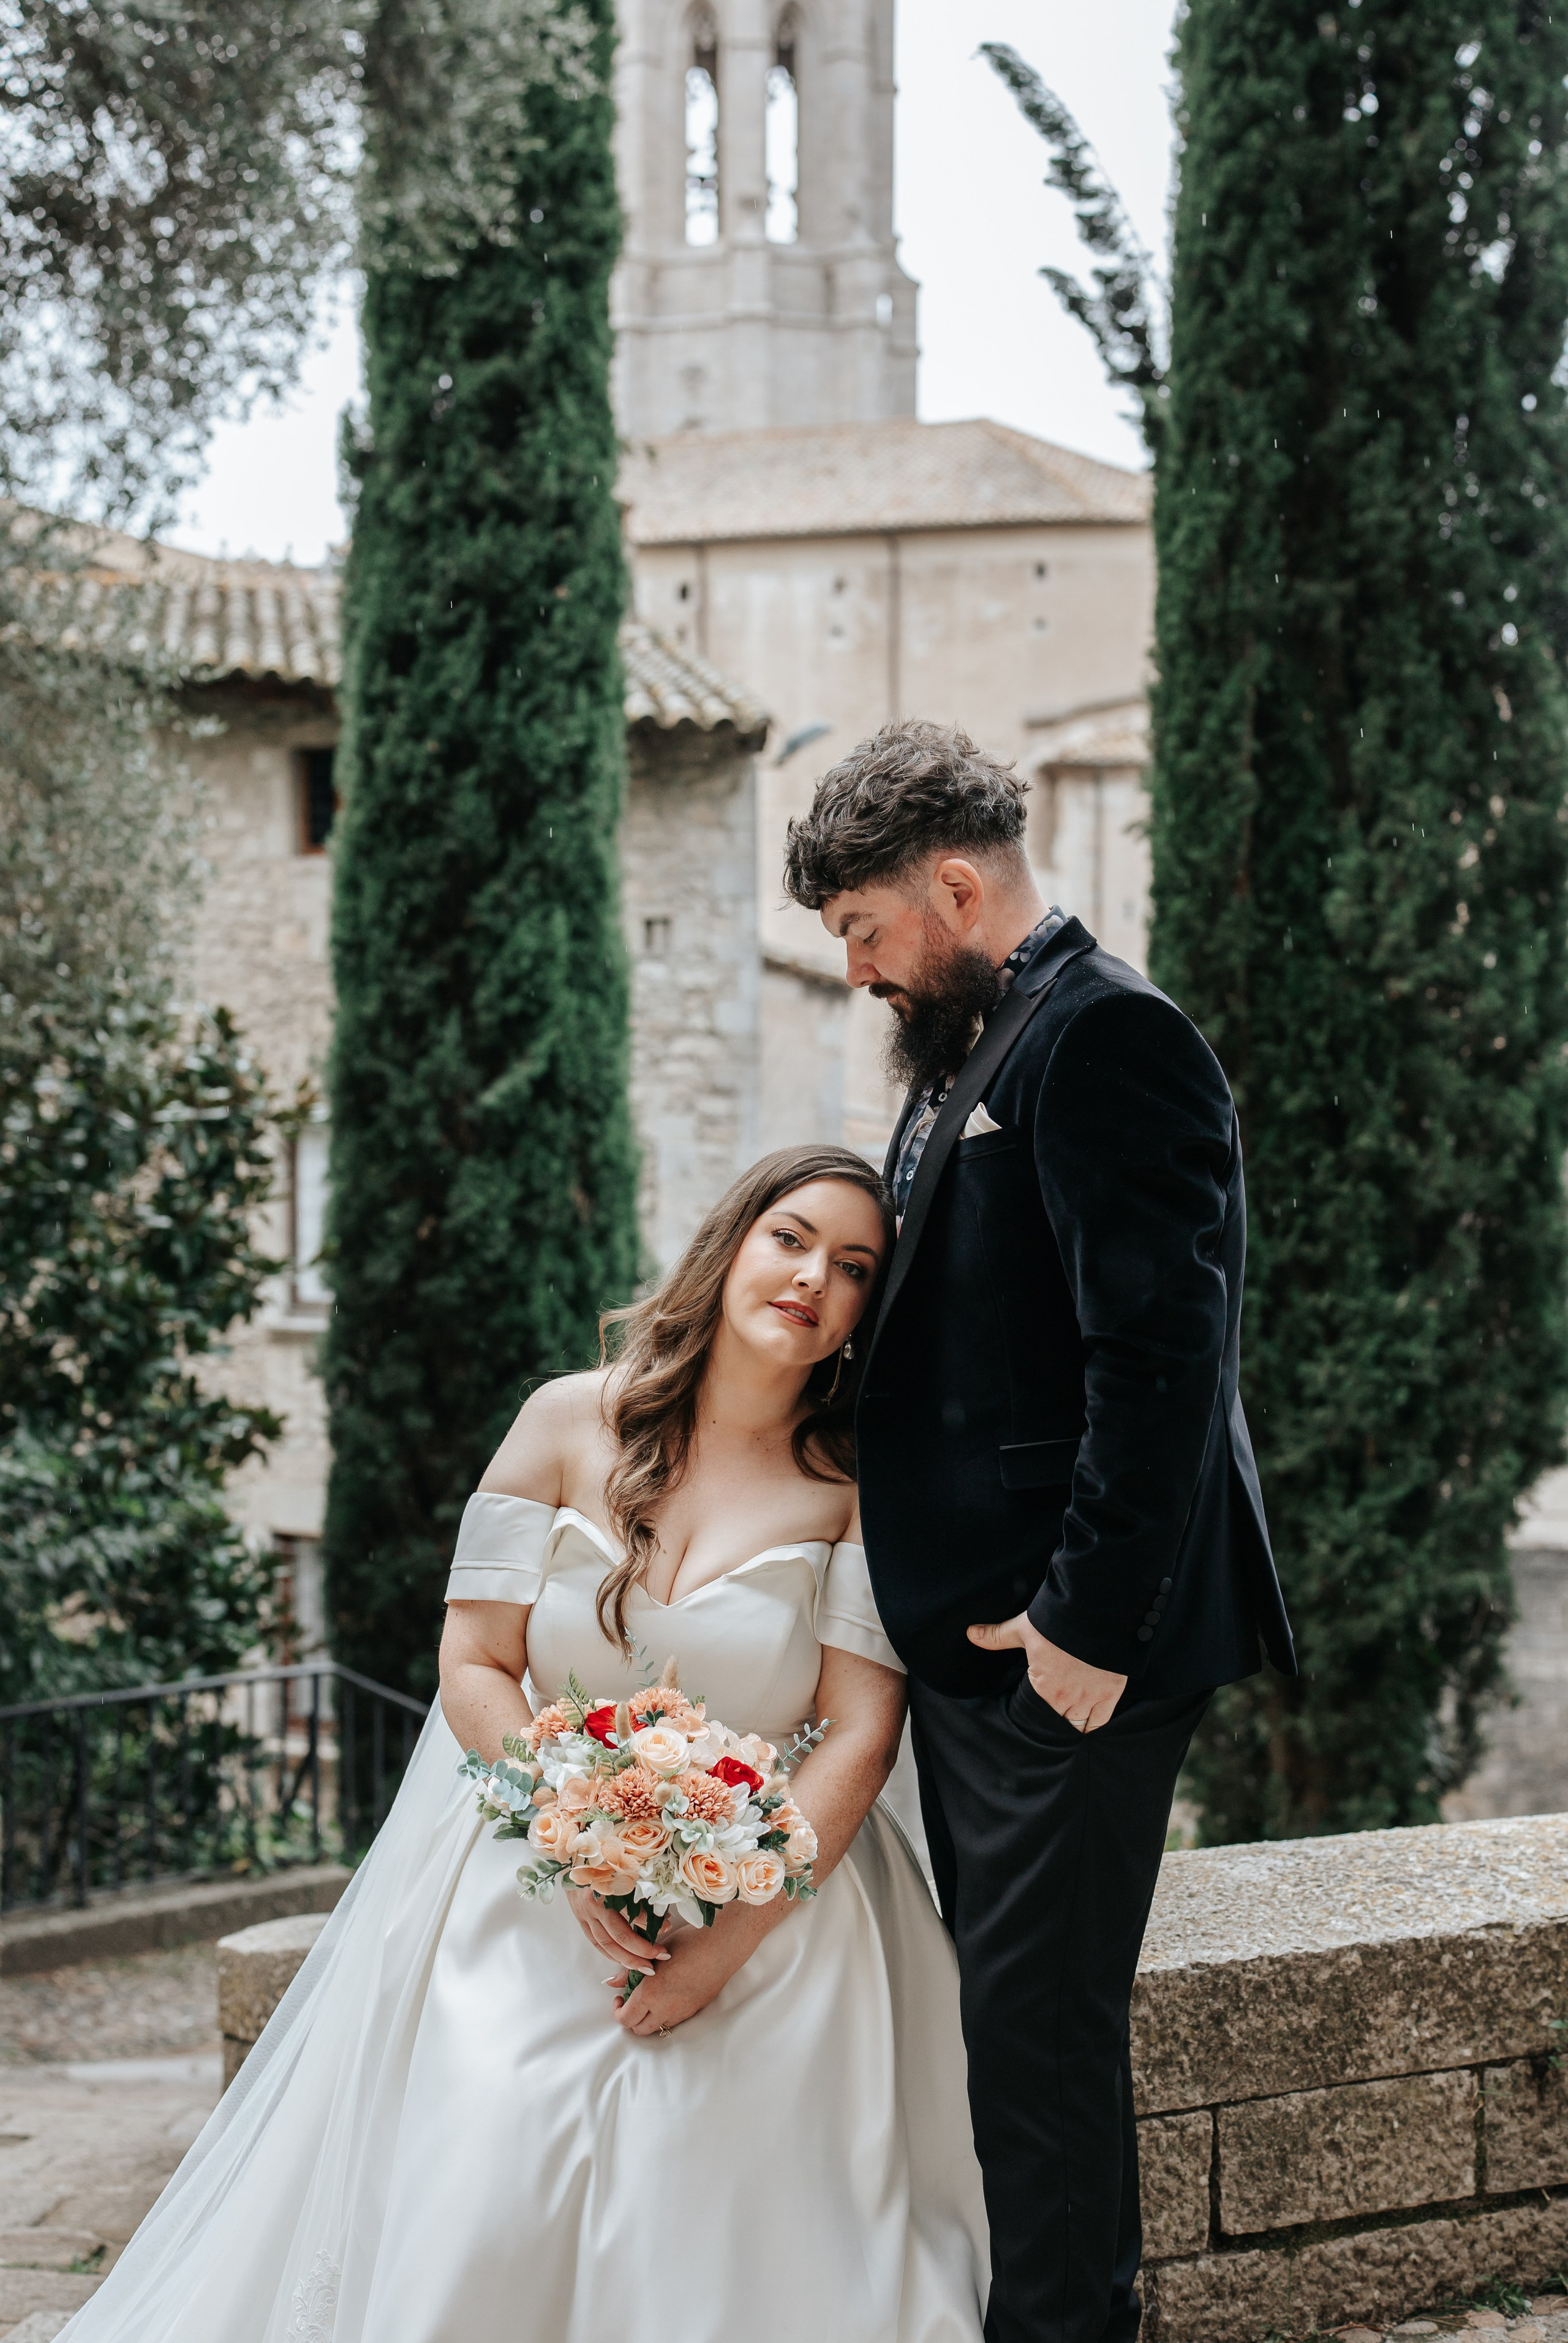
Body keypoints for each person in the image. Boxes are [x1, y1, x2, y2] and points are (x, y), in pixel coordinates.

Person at [59, 1144, 988, 2343]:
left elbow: (860, 1731)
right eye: (790, 1236)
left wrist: (723, 1941)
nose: (812, 1276)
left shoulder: (855, 1481)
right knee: (494, 2160)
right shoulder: (564, 1421)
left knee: (719, 2200)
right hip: (529, 1867)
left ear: (871, 1305)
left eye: (854, 1265)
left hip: (769, 1903)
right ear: (730, 1245)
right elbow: (474, 1662)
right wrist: (583, 1840)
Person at [783, 722, 1296, 2343]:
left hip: (1064, 1648)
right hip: (985, 1641)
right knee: (1011, 2030)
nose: (857, 969)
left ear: (952, 884)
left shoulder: (1109, 1037)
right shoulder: (963, 1050)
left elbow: (1162, 1359)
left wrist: (1084, 1633)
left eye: (865, 929)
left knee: (1040, 2034)